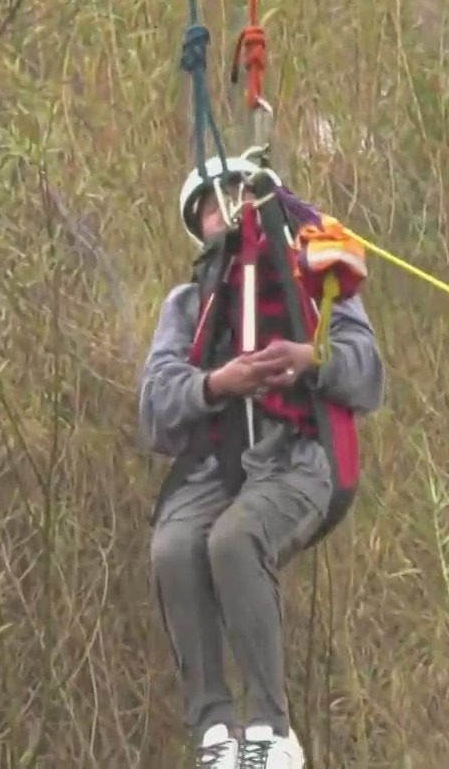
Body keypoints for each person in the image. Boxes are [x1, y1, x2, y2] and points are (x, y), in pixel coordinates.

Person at [139, 156, 385, 769]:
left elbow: (367, 373)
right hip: (215, 465)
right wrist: (217, 383)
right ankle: (215, 731)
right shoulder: (188, 303)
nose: (223, 211)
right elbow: (156, 404)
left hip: (297, 457)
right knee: (174, 548)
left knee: (236, 540)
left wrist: (310, 357)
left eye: (232, 199)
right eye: (209, 207)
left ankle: (270, 732)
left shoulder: (313, 279)